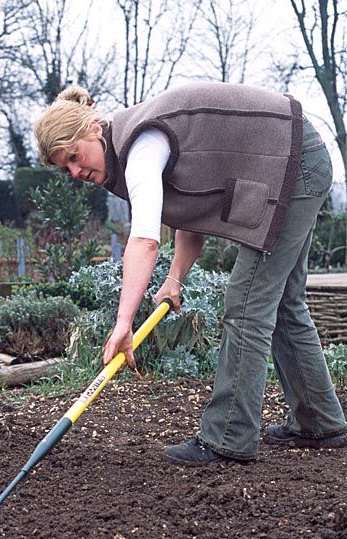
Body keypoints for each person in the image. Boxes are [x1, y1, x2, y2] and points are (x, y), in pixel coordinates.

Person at [34, 82, 347, 465]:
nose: (75, 171)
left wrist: (123, 322)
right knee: (281, 301)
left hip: (292, 165)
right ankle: (319, 421)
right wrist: (174, 280)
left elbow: (145, 241)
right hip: (296, 156)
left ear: (93, 130)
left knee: (246, 304)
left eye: (74, 156)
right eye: (66, 167)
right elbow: (192, 212)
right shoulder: (138, 142)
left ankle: (228, 437)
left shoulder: (142, 147)